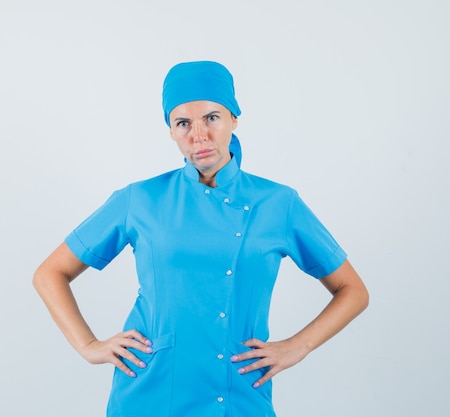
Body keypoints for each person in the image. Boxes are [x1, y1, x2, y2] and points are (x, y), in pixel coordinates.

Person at [33, 61, 369, 417]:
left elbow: (353, 291)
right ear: (171, 131)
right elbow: (50, 273)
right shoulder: (140, 199)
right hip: (149, 391)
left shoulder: (278, 203)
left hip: (240, 391)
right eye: (183, 123)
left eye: (212, 117)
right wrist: (88, 346)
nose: (199, 135)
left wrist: (297, 347)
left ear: (234, 119)